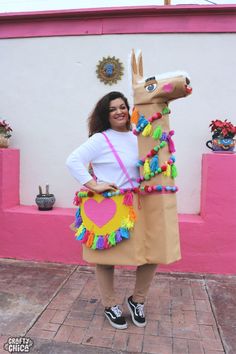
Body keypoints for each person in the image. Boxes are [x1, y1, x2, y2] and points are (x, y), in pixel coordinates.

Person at [66, 91, 157, 330]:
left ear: (129, 109)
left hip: (139, 204)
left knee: (152, 253)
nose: (119, 112)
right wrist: (93, 185)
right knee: (105, 260)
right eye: (112, 109)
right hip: (112, 206)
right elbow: (73, 160)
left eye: (122, 107)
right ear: (105, 115)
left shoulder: (138, 136)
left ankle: (137, 300)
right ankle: (110, 304)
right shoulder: (101, 139)